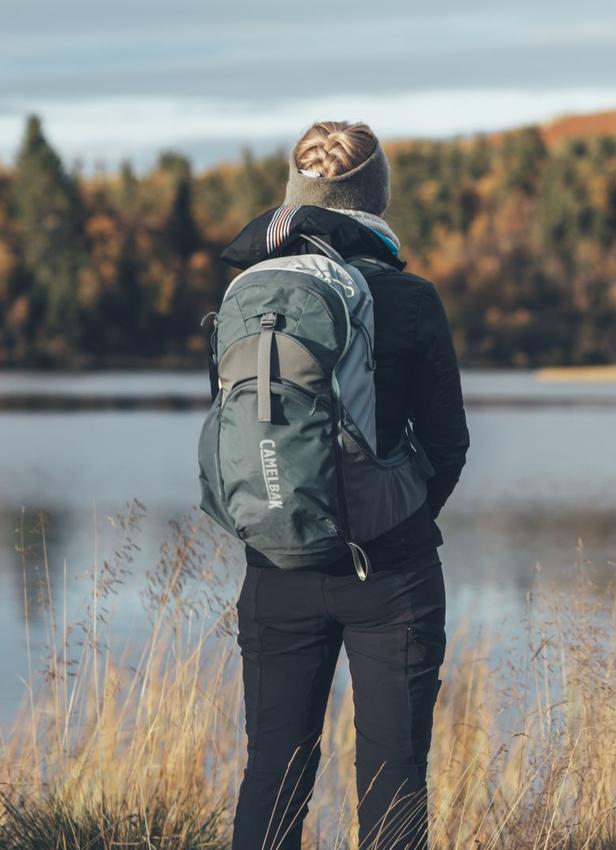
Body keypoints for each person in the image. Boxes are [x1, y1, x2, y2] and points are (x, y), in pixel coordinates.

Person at [217, 121, 469, 850]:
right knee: (394, 780)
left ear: (297, 195)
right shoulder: (410, 297)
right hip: (391, 575)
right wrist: (393, 518)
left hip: (276, 564)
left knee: (274, 770)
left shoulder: (249, 293)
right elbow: (448, 446)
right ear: (378, 198)